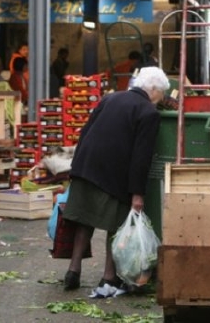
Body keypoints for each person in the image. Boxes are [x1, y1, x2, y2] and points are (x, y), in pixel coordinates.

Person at [62, 66, 170, 297]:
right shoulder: (148, 114)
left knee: (84, 220)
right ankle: (108, 277)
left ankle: (73, 270)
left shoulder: (110, 98)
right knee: (115, 226)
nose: (161, 100)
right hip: (113, 175)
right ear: (153, 89)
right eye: (161, 94)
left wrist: (75, 169)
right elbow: (141, 157)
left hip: (86, 166)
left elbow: (85, 132)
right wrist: (137, 193)